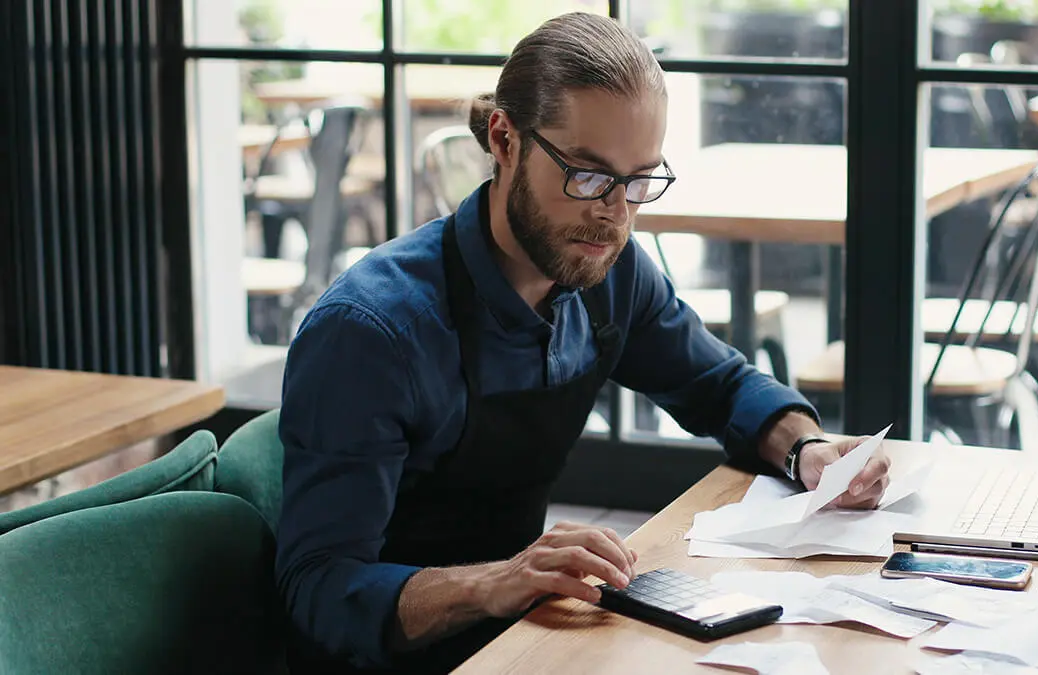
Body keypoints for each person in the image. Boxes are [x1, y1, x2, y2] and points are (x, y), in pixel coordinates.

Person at [275, 11, 891, 674]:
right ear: (503, 138)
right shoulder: (371, 333)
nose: (615, 213)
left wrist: (805, 449)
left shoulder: (608, 271)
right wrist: (494, 582)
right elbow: (319, 591)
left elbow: (720, 385)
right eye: (589, 175)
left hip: (519, 636)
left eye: (638, 181)